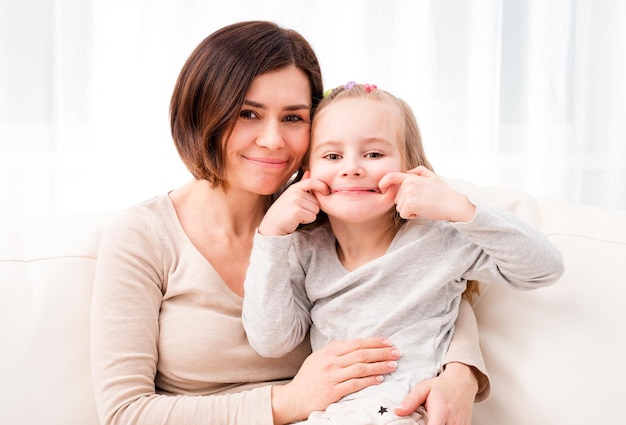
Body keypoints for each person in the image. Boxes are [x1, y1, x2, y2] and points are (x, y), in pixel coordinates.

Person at [90, 21, 491, 425]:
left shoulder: (329, 215)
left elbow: (427, 289)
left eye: (294, 118)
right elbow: (125, 413)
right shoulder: (144, 236)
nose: (272, 140)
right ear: (201, 112)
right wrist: (285, 402)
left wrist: (461, 374)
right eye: (248, 113)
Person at [242, 83, 565, 424]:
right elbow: (271, 342)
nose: (351, 168)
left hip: (406, 412)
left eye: (374, 155)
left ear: (410, 169)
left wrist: (460, 208)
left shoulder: (437, 238)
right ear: (308, 174)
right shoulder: (303, 249)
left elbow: (544, 269)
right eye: (332, 156)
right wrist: (271, 235)